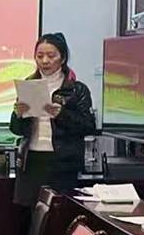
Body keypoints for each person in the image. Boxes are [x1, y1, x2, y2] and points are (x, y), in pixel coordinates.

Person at [10, 33, 96, 206]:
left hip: (62, 163)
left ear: (62, 58)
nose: (44, 61)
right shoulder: (29, 84)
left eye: (51, 56)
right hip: (31, 160)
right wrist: (18, 114)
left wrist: (61, 115)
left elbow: (88, 126)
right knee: (30, 214)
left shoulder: (76, 89)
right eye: (39, 56)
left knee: (58, 213)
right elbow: (17, 130)